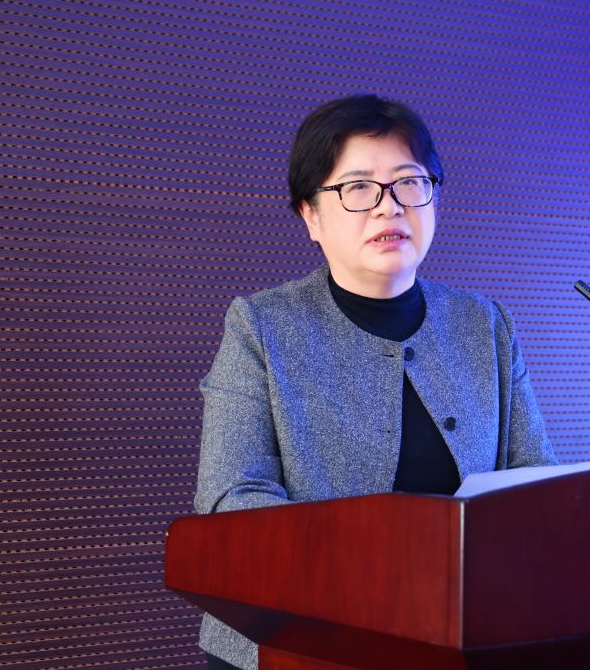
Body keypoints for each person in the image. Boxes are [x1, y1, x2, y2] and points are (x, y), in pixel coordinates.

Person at [193, 94, 558, 669]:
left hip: (457, 635)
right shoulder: (261, 325)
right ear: (311, 216)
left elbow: (536, 483)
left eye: (409, 182)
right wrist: (377, 567)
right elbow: (232, 498)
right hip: (297, 640)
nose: (389, 207)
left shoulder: (484, 325)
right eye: (358, 187)